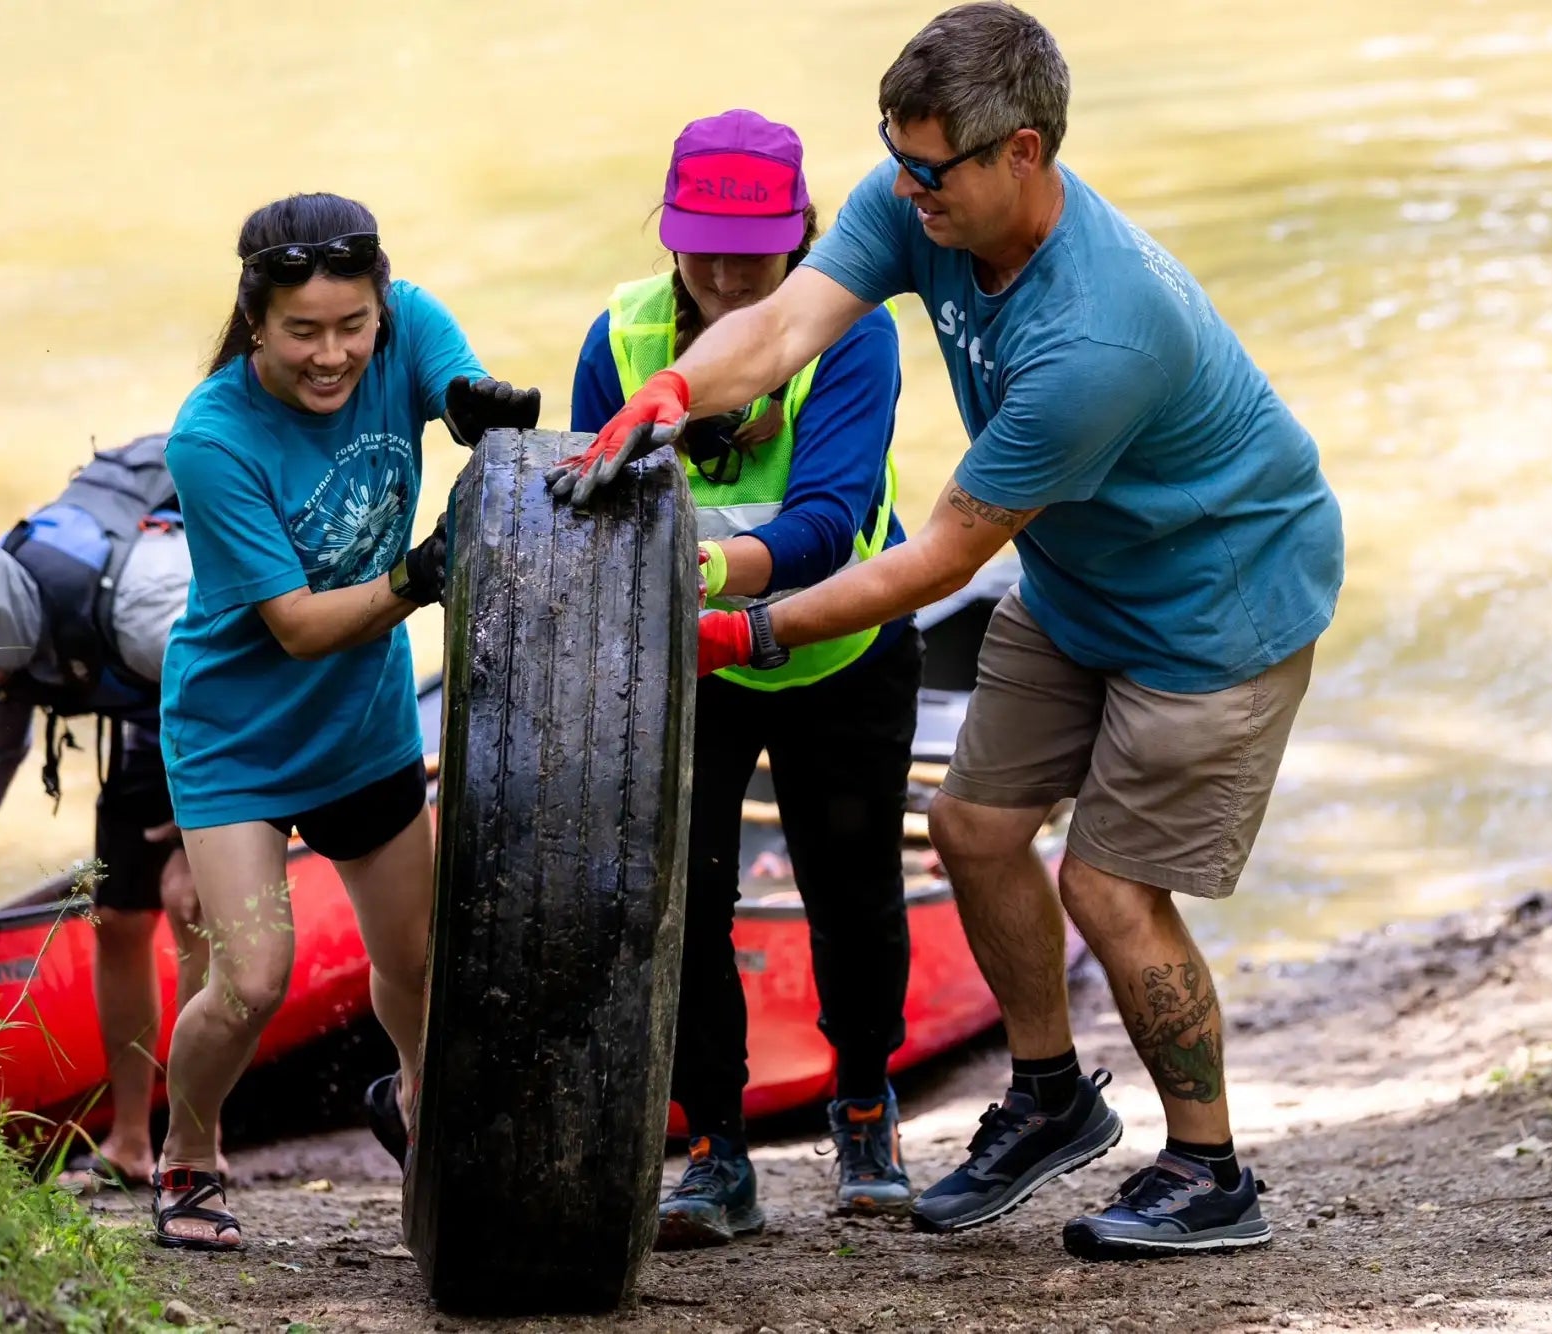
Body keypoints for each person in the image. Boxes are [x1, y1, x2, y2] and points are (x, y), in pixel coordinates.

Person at [555, 3, 1345, 1260]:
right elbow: (782, 328)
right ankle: (1047, 1095)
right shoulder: (918, 197)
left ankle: (1208, 1170)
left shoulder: (1092, 338)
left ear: (1019, 154)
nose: (904, 186)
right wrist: (670, 392)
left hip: (1214, 603)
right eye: (895, 157)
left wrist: (739, 635)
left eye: (930, 169)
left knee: (1105, 882)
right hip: (1083, 577)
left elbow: (930, 558)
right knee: (974, 829)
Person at [149, 192, 538, 1252]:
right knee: (252, 978)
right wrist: (419, 577)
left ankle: (417, 1105)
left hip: (360, 725)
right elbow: (296, 626)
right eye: (302, 332)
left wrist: (481, 415)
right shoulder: (213, 437)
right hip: (236, 735)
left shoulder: (403, 322)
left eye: (351, 327)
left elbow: (461, 391)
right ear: (256, 322)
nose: (334, 356)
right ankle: (188, 1150)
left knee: (415, 957)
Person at [572, 109, 918, 1247]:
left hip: (839, 649)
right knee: (684, 900)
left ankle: (863, 1104)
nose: (723, 274)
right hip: (693, 665)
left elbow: (824, 525)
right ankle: (715, 1148)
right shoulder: (621, 337)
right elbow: (583, 502)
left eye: (753, 250)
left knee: (854, 893)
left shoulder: (852, 329)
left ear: (803, 233)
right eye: (698, 246)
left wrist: (698, 572)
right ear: (665, 234)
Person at [0, 450, 216, 1190]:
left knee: (196, 904)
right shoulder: (4, 637)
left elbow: (247, 686)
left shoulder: (137, 611)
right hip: (157, 709)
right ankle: (130, 1141)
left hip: (224, 695)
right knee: (121, 920)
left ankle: (200, 1142)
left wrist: (202, 838)